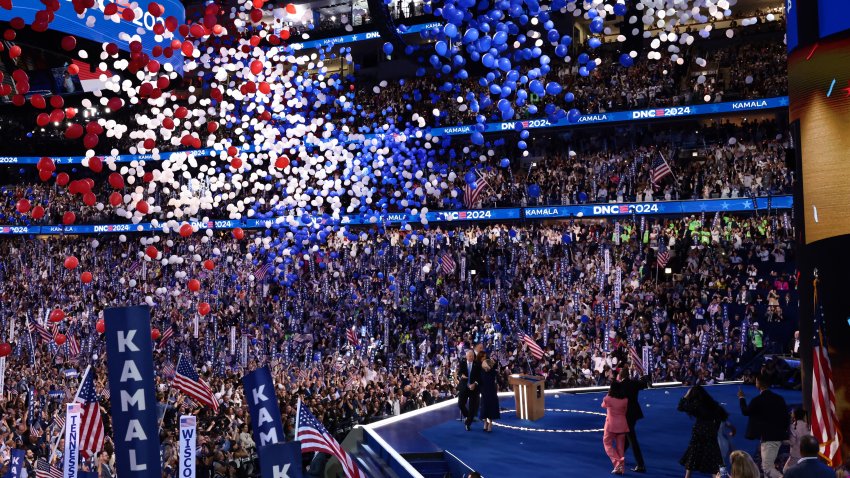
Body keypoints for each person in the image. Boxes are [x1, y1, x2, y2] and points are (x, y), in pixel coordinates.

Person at [738, 374, 788, 478]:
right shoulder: (779, 399)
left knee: (767, 467)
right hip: (778, 435)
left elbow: (745, 411)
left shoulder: (758, 400)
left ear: (758, 384)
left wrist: (741, 398)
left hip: (769, 438)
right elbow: (785, 417)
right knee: (767, 468)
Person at [678, 385, 728, 478]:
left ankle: (687, 477)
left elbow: (680, 407)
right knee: (716, 457)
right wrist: (715, 429)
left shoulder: (696, 405)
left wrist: (686, 395)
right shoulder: (713, 404)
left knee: (693, 454)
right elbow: (722, 417)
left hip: (699, 431)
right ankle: (722, 475)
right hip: (711, 432)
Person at [618, 367, 650, 473]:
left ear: (621, 376)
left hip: (626, 415)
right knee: (627, 437)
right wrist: (642, 375)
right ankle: (619, 456)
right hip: (634, 413)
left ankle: (640, 465)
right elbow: (645, 384)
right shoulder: (633, 383)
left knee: (631, 439)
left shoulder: (620, 386)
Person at [602, 379, 629, 475]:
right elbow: (625, 411)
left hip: (611, 425)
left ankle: (618, 463)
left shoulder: (608, 398)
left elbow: (603, 405)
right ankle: (621, 469)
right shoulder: (625, 400)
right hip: (622, 425)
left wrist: (608, 394)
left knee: (607, 443)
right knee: (620, 448)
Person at [457, 349, 482, 431]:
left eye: (472, 356)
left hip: (474, 389)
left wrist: (475, 384)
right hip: (464, 387)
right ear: (466, 356)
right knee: (460, 404)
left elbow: (480, 377)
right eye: (469, 356)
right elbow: (459, 373)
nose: (471, 357)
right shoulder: (462, 363)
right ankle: (468, 416)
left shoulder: (478, 364)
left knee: (472, 407)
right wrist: (462, 376)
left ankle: (468, 423)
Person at [783, 408, 810, 473]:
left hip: (796, 455)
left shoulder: (793, 426)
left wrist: (782, 441)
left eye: (792, 413)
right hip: (806, 454)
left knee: (785, 471)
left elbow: (792, 442)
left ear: (795, 415)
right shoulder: (808, 426)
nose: (791, 414)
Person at [478, 357, 500, 432]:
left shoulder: (493, 372)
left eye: (484, 363)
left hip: (491, 391)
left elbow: (494, 366)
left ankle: (490, 423)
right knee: (484, 408)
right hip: (484, 391)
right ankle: (485, 422)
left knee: (490, 407)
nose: (483, 364)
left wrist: (491, 364)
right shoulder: (481, 371)